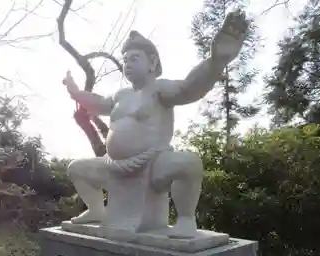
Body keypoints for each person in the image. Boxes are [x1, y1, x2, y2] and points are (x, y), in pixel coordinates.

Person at [63, 10, 249, 238]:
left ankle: (186, 219)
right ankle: (95, 210)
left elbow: (189, 88)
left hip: (152, 166)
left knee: (188, 163)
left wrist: (215, 62)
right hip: (115, 168)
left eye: (134, 58)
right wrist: (75, 93)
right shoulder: (121, 95)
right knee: (77, 168)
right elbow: (99, 103)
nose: (127, 64)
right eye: (124, 60)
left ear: (152, 62)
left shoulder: (160, 89)